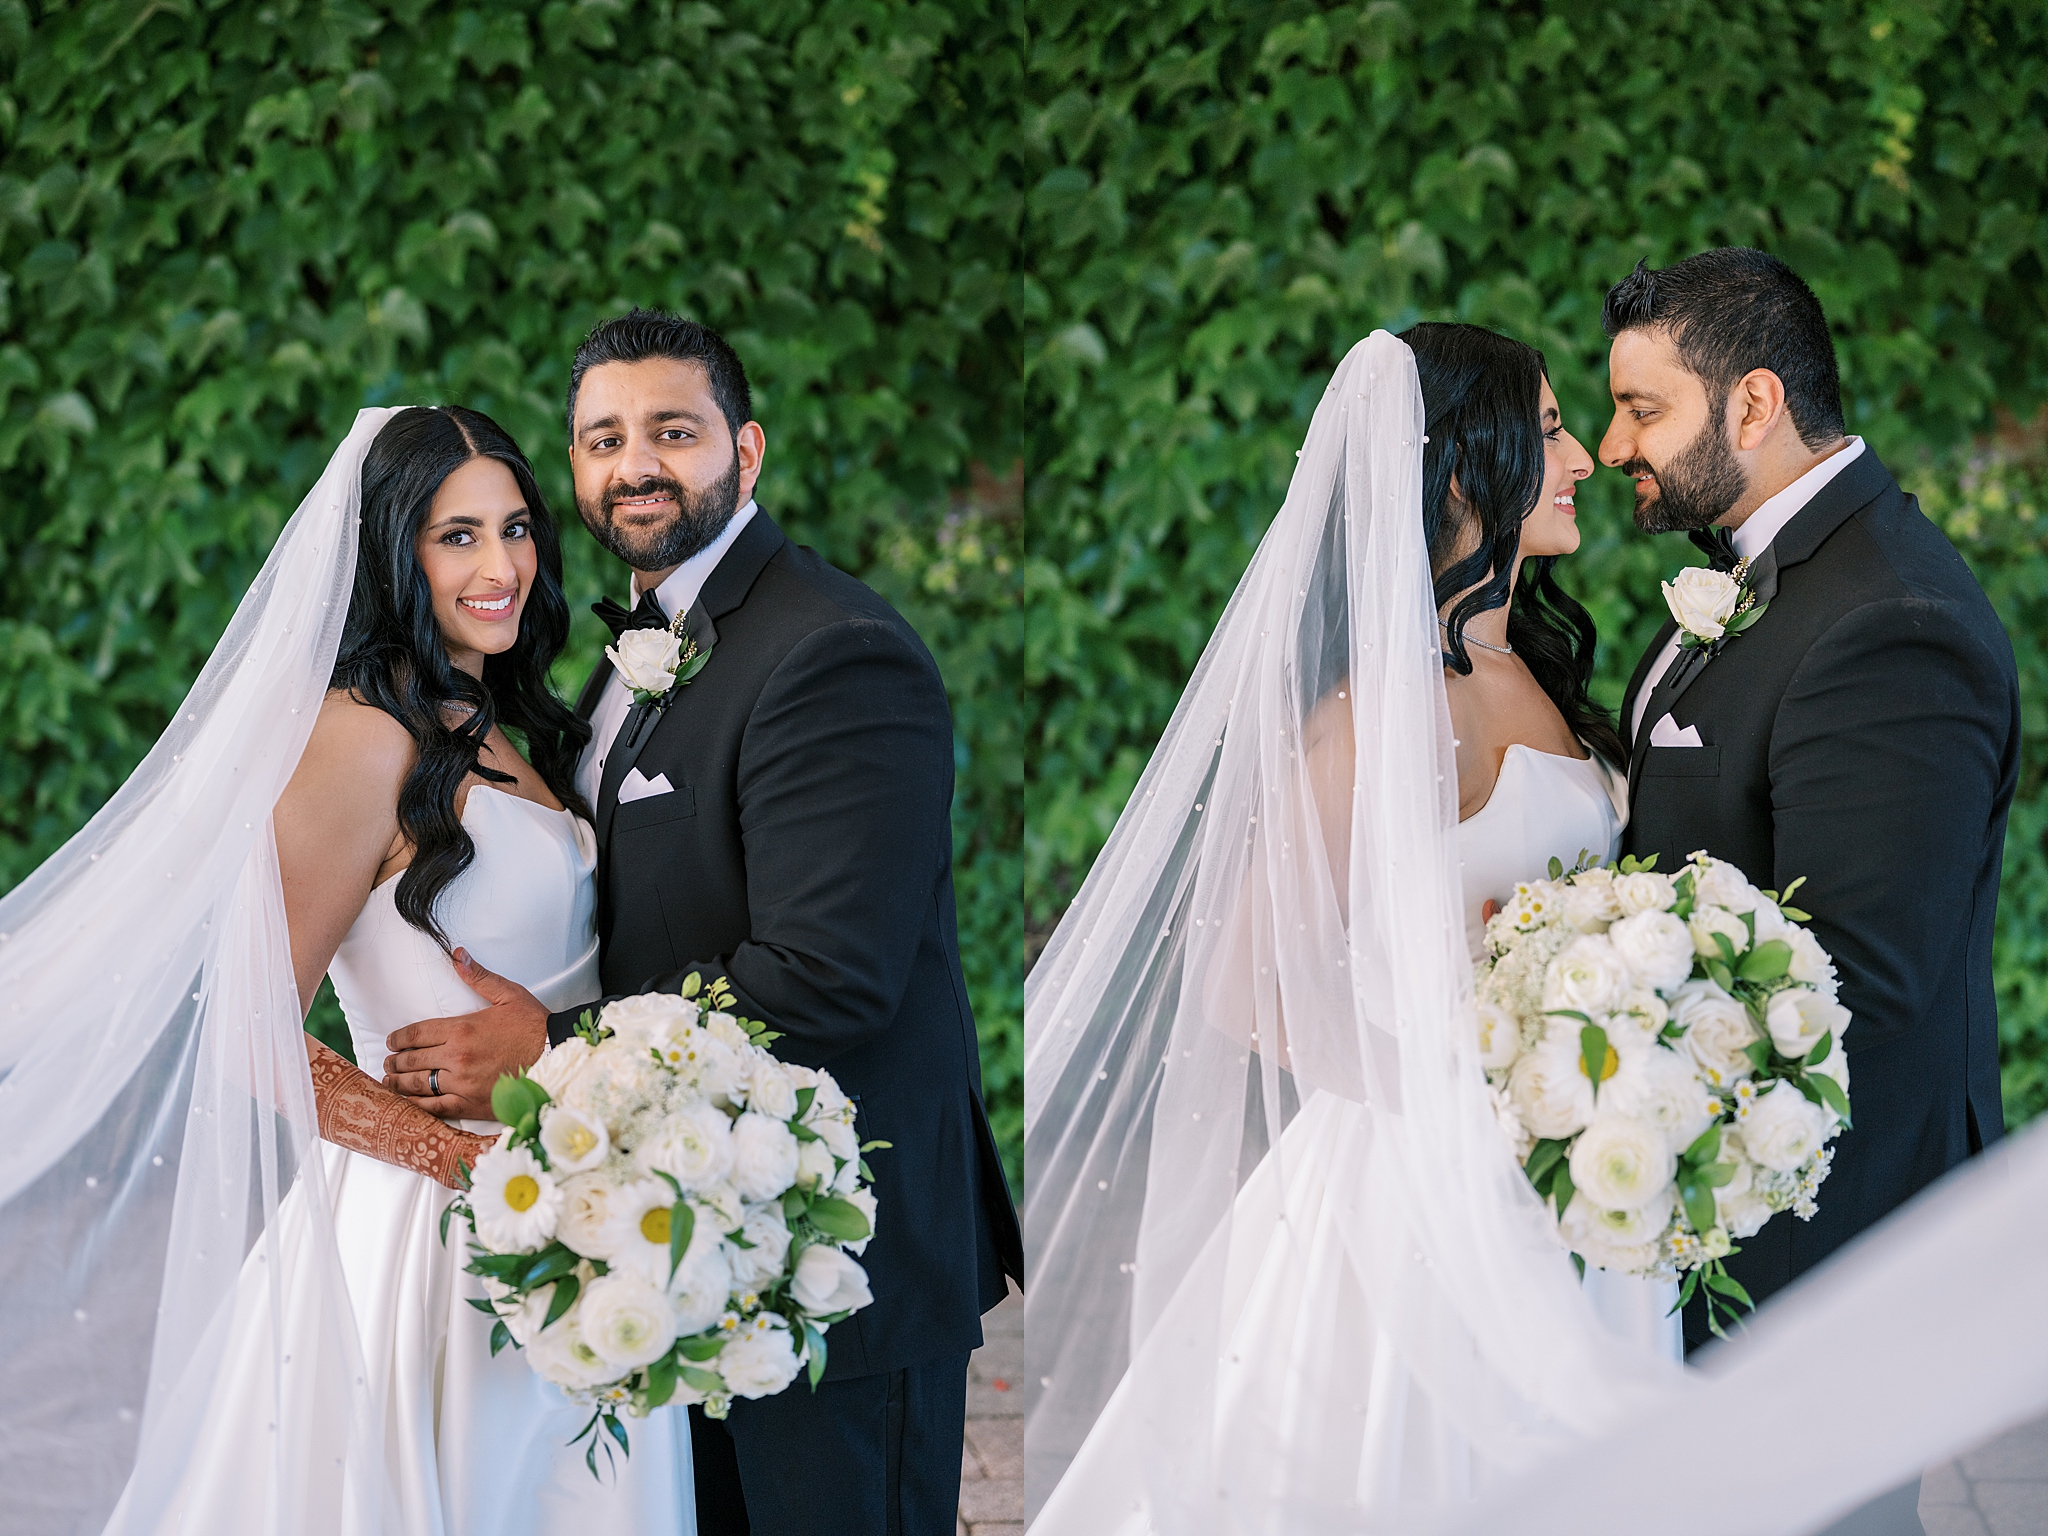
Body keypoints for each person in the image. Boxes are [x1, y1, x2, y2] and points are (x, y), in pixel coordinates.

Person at [1022, 325, 1683, 1535]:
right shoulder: (1368, 718)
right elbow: (1240, 986)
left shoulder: (1517, 657)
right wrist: (1467, 1102)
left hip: (1573, 1160)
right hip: (1426, 1186)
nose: (1583, 456)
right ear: (1453, 478)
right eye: (1544, 432)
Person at [379, 311, 1025, 1535]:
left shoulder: (833, 653)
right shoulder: (624, 652)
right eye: (602, 437)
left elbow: (828, 975)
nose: (635, 465)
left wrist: (550, 1047)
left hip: (839, 1263)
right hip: (693, 1238)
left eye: (671, 431)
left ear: (747, 450)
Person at [0, 406, 691, 1534]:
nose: (501, 565)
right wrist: (465, 1173)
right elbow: (249, 1031)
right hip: (438, 1232)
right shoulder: (359, 738)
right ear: (391, 551)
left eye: (515, 529)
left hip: (575, 1204)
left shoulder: (501, 718)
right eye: (454, 535)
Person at [1602, 245, 2019, 1525]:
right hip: (1726, 1214)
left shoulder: (1887, 616)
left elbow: (1858, 973)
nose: (1619, 444)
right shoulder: (1760, 569)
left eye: (1641, 409)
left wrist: (1598, 993)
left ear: (1753, 405)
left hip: (1821, 1238)